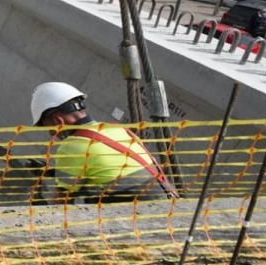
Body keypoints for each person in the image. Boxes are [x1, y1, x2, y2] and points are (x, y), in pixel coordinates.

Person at [31, 82, 175, 204]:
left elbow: (62, 201)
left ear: (58, 121)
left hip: (136, 212)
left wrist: (38, 201)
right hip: (166, 199)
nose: (52, 135)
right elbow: (108, 168)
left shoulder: (71, 145)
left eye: (49, 129)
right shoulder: (115, 129)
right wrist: (53, 172)